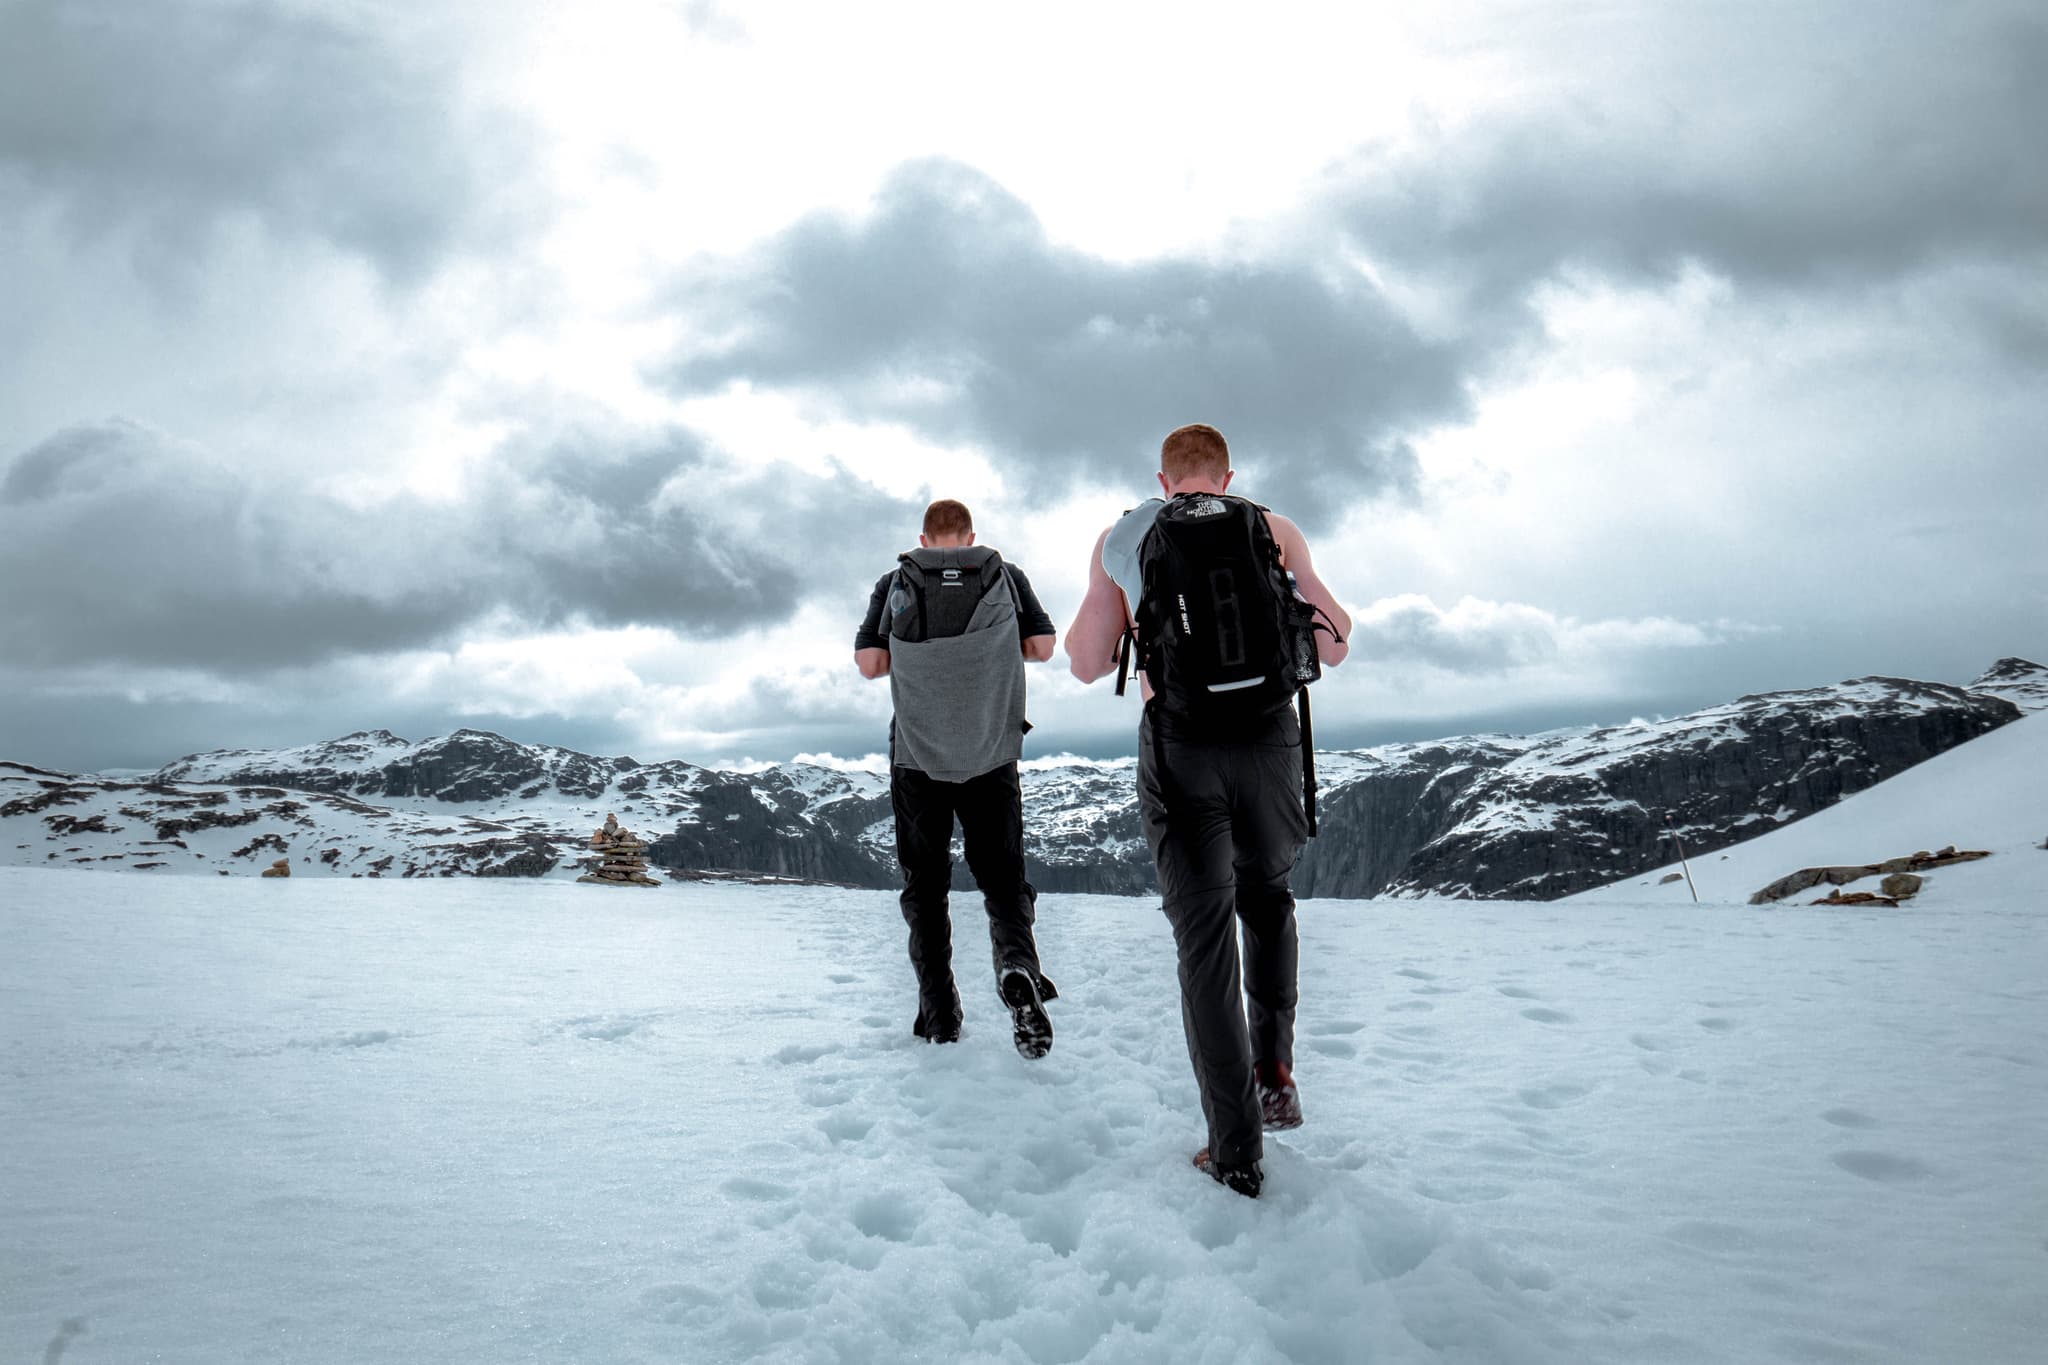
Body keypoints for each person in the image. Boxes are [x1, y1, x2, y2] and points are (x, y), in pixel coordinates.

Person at [1064, 424, 1352, 1197]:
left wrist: (1129, 613)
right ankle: (1276, 1069)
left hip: (1182, 751)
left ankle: (1235, 1151)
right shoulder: (1272, 526)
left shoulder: (1124, 535)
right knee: (1267, 899)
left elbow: (1088, 663)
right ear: (1227, 476)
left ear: (1164, 480)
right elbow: (1335, 643)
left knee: (1204, 944)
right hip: (1269, 745)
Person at [855, 498, 1061, 1057]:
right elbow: (1041, 648)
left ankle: (940, 1016)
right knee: (1002, 878)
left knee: (926, 888)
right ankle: (1017, 965)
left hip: (917, 756)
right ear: (971, 535)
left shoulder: (896, 581)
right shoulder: (1005, 575)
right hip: (991, 752)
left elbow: (871, 665)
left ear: (923, 538)